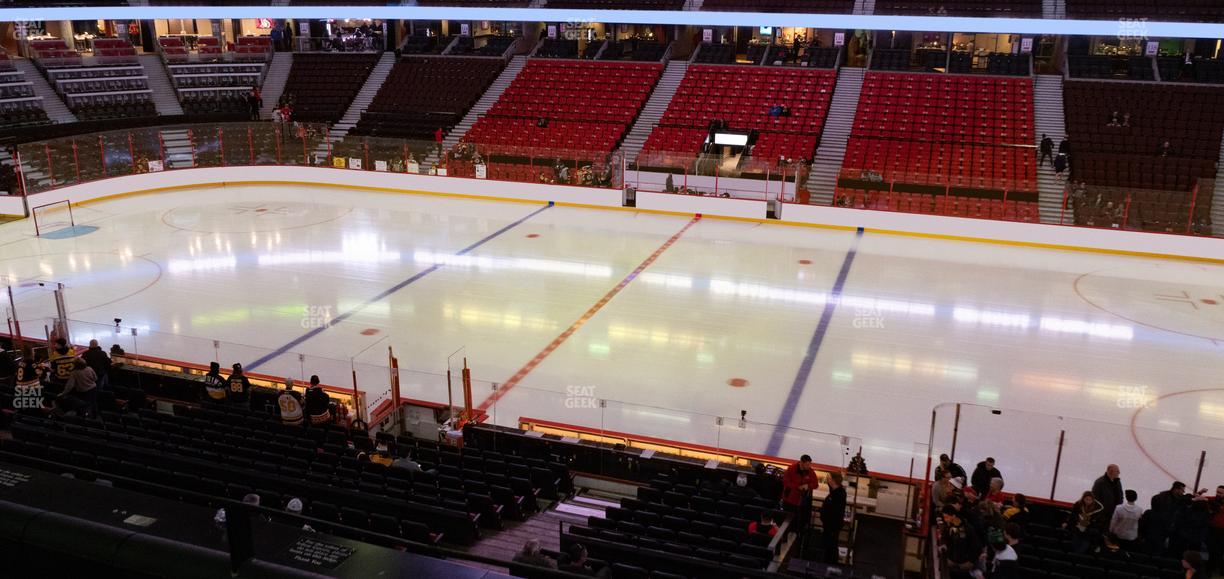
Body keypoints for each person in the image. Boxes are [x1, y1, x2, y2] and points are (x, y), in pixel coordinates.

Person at [782, 455, 820, 534]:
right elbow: (786, 482)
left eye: (810, 464)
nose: (809, 466)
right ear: (801, 463)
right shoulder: (791, 469)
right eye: (807, 464)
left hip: (802, 502)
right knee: (787, 521)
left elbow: (816, 484)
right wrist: (798, 487)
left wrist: (808, 486)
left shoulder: (810, 471)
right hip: (789, 500)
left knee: (799, 523)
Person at [1150, 482, 1189, 555]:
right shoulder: (1164, 499)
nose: (1183, 492)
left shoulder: (1165, 497)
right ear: (1176, 489)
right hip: (1162, 529)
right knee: (1158, 548)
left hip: (1165, 528)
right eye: (1182, 490)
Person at [820, 472, 847, 565]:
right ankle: (827, 561)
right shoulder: (834, 490)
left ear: (834, 480)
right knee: (828, 544)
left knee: (831, 544)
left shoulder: (839, 494)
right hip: (829, 523)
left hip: (833, 524)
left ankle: (830, 563)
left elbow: (835, 511)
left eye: (829, 478)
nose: (828, 479)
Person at [1209, 485, 1224, 577]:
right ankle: (1211, 569)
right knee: (1213, 550)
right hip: (1214, 529)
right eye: (1217, 492)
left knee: (1219, 551)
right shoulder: (1214, 499)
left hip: (1222, 531)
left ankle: (1217, 570)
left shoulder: (1217, 502)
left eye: (1220, 493)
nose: (1218, 494)